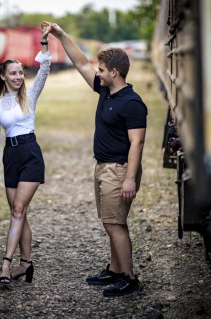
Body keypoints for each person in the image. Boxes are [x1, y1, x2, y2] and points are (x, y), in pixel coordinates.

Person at [45, 21, 147, 297]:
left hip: (119, 169)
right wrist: (61, 34)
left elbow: (137, 142)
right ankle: (114, 270)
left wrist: (129, 179)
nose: (97, 73)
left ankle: (129, 277)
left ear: (114, 72)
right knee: (109, 221)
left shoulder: (133, 103)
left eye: (101, 70)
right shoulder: (105, 90)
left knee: (116, 224)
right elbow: (80, 63)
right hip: (103, 166)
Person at [0, 23, 51, 285]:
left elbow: (44, 69)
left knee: (18, 210)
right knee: (19, 212)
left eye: (21, 72)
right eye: (13, 73)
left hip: (31, 154)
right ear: (3, 76)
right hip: (10, 157)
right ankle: (26, 264)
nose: (18, 77)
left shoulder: (29, 96)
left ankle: (5, 265)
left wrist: (44, 41)